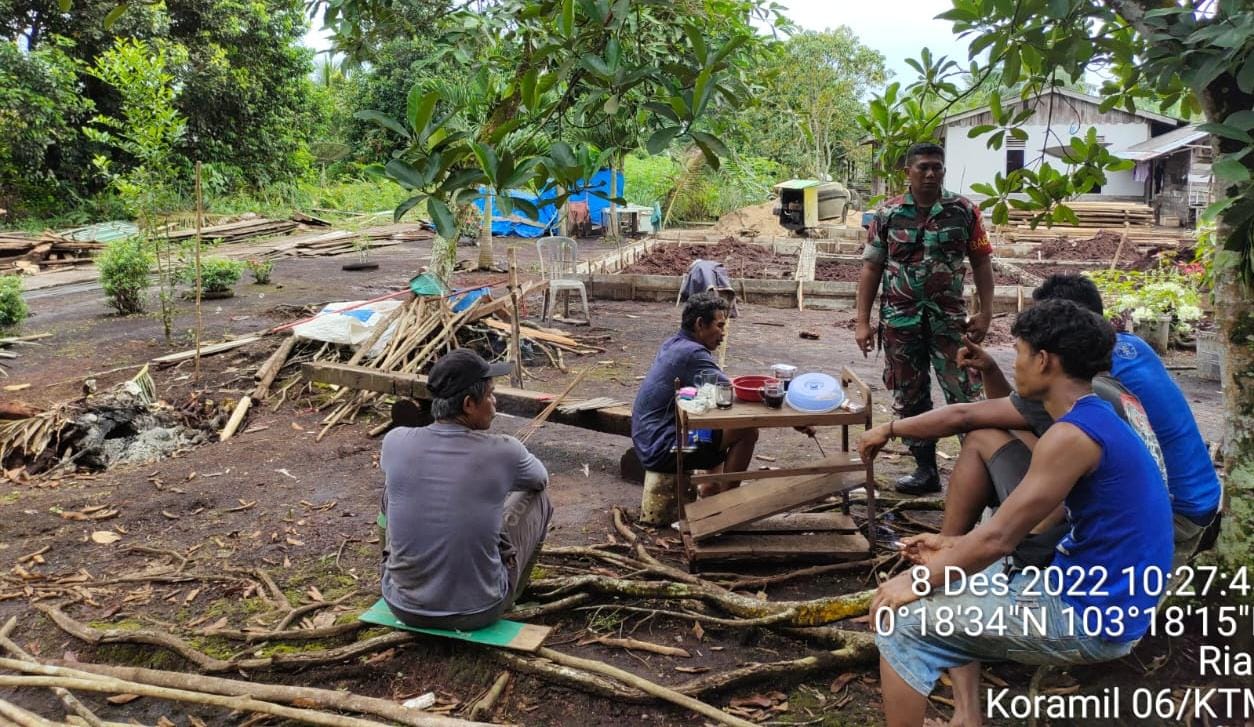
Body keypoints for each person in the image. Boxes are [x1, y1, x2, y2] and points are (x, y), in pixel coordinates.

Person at [872, 299, 1173, 727]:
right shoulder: (1095, 416)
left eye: (1018, 352)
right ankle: (967, 716)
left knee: (898, 621)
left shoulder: (1072, 435)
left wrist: (914, 578)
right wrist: (952, 545)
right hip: (1104, 593)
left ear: (1044, 360)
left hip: (1093, 616)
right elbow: (1015, 525)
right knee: (957, 575)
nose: (1015, 363)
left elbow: (1000, 538)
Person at [855, 142, 996, 495]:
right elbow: (871, 267)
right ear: (908, 173)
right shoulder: (886, 215)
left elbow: (981, 262)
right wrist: (862, 321)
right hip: (900, 323)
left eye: (937, 167)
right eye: (923, 168)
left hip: (949, 324)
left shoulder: (964, 211)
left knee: (964, 394)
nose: (931, 173)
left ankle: (983, 473)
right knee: (910, 395)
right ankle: (925, 470)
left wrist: (986, 311)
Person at [380, 349, 553, 631]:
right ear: (470, 404)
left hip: (401, 605)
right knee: (539, 498)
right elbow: (539, 480)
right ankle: (515, 590)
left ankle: (403, 573)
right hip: (480, 611)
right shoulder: (505, 450)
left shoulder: (395, 441)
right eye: (491, 395)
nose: (495, 403)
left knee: (392, 489)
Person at [631, 292, 758, 497]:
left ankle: (711, 487)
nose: (723, 333)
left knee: (715, 422)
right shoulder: (692, 354)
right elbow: (730, 390)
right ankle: (728, 503)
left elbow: (718, 384)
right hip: (663, 447)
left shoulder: (673, 344)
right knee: (746, 430)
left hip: (649, 438)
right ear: (700, 324)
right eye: (719, 325)